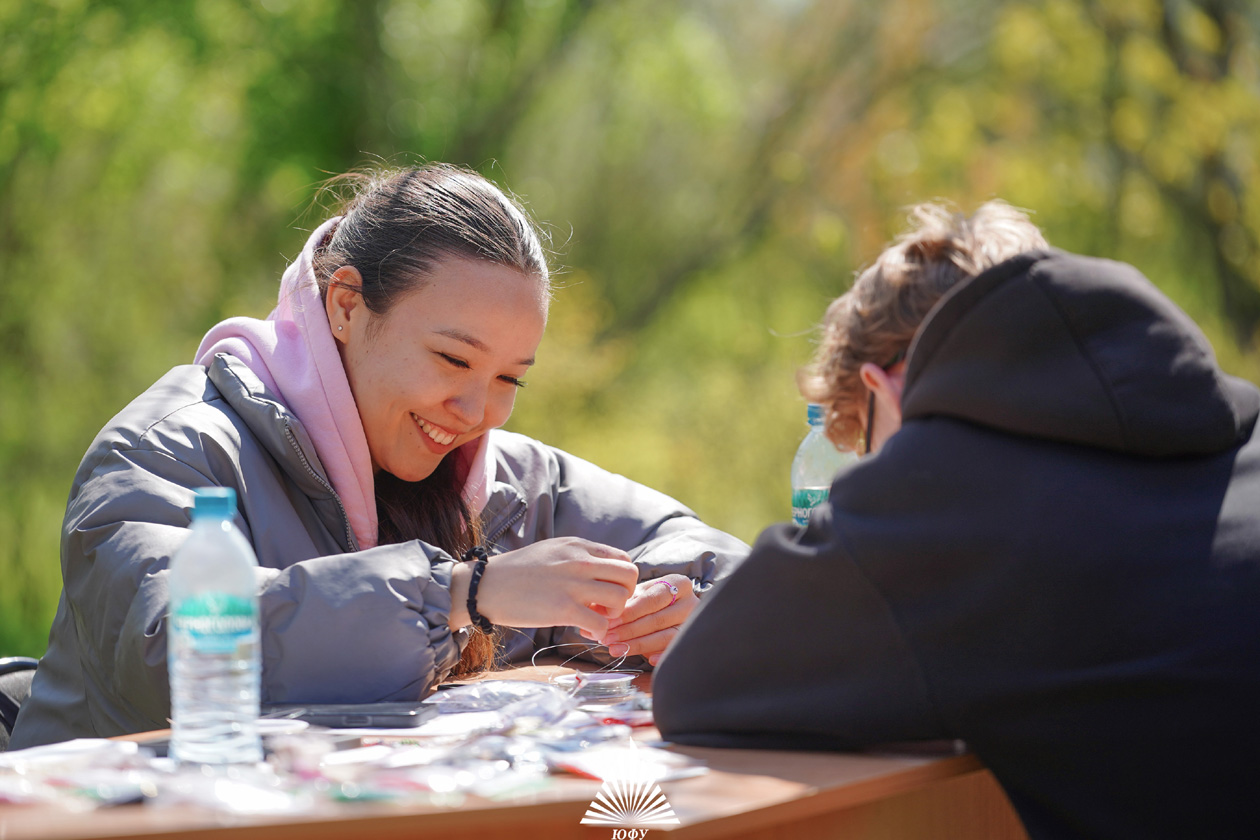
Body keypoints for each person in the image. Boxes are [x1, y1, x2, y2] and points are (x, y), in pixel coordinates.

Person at [12, 164, 748, 748]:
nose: (475, 411)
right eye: (452, 359)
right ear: (344, 305)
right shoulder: (172, 449)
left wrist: (691, 612)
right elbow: (175, 648)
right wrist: (462, 595)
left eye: (509, 379)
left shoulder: (505, 484)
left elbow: (713, 560)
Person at [653, 201, 1260, 839]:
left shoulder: (939, 495)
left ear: (881, 390)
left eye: (864, 439)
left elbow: (696, 684)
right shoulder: (1237, 430)